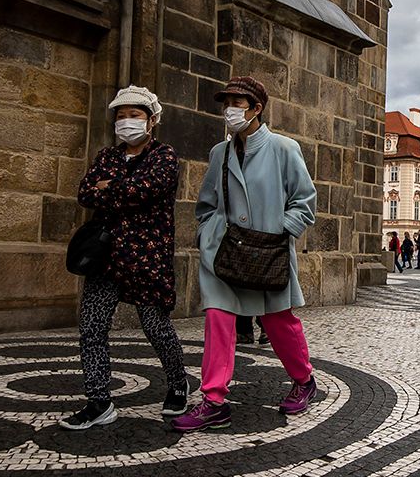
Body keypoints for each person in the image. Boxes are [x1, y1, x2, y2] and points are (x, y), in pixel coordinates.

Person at [175, 76, 318, 432]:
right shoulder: (218, 153)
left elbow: (305, 201)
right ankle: (214, 400)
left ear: (257, 109)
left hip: (267, 252)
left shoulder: (284, 149)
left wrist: (281, 230)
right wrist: (209, 233)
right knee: (218, 319)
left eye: (238, 103)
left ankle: (304, 379)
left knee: (278, 321)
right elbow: (206, 203)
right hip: (225, 252)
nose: (230, 110)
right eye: (227, 103)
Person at [59, 86, 190, 430]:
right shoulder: (107, 156)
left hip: (147, 257)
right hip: (105, 257)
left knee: (156, 326)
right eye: (121, 115)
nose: (126, 121)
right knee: (91, 327)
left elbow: (146, 190)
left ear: (152, 120)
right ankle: (99, 400)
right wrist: (117, 189)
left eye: (134, 115)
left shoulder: (165, 156)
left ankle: (178, 383)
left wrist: (110, 188)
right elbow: (86, 192)